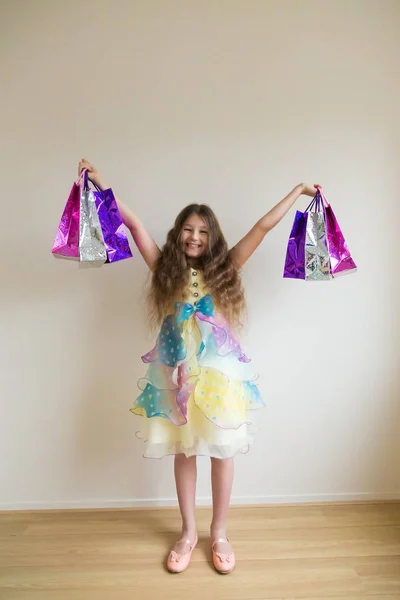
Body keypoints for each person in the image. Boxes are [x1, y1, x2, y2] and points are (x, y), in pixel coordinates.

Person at [78, 158, 317, 574]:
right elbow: (133, 227)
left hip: (218, 376)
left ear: (213, 239)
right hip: (177, 375)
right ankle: (188, 533)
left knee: (223, 453)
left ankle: (219, 532)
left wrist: (297, 192)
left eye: (203, 231)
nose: (195, 236)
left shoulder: (226, 267)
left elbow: (261, 228)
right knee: (184, 452)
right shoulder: (164, 268)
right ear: (178, 234)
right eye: (188, 229)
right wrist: (100, 184)